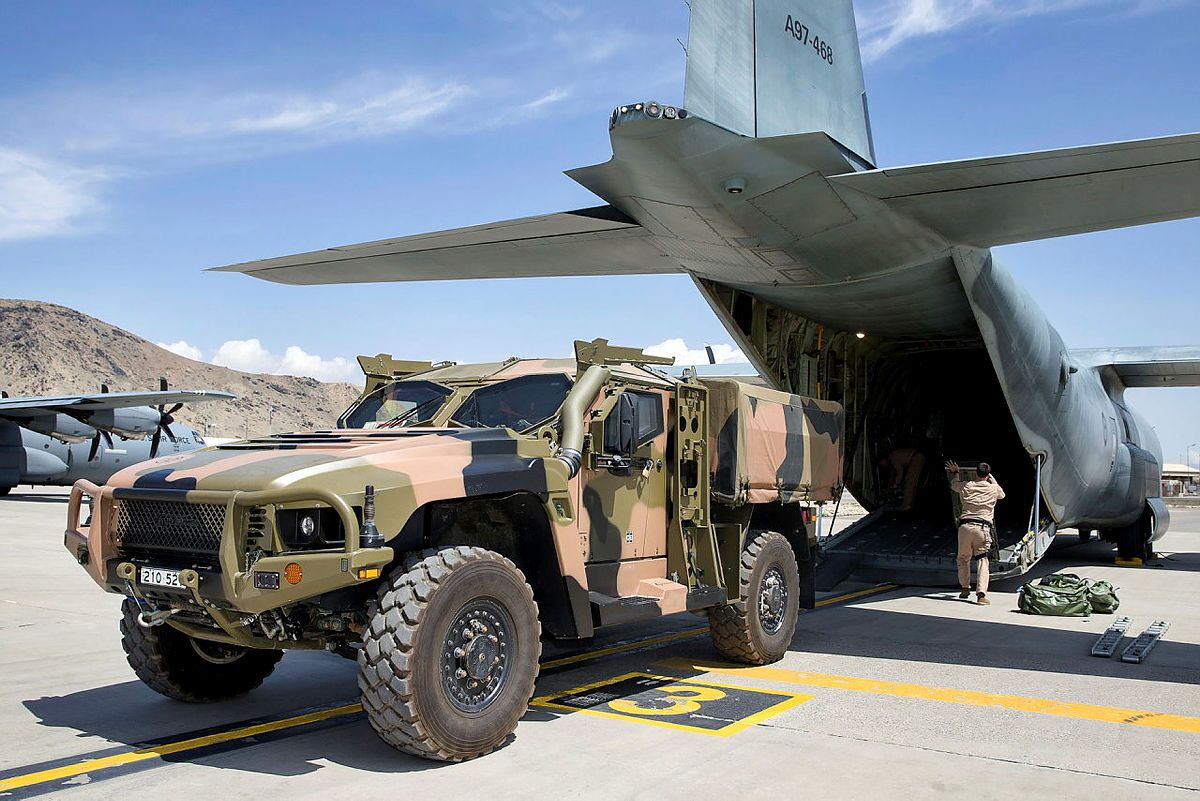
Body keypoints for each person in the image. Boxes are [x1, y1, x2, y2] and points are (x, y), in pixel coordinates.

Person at [945, 461, 1005, 605]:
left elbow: (954, 485)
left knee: (963, 559)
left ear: (976, 473)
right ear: (987, 475)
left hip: (965, 527)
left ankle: (965, 588)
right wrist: (992, 479)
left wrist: (956, 472)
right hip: (982, 528)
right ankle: (981, 594)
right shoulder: (993, 489)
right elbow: (1002, 495)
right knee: (982, 560)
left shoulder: (968, 486)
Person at [882, 446, 927, 512]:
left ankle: (906, 506)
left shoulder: (893, 458)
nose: (882, 465)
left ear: (883, 460)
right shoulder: (892, 459)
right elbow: (893, 475)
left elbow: (899, 472)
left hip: (916, 458)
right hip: (918, 456)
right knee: (912, 482)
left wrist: (896, 485)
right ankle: (910, 504)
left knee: (910, 482)